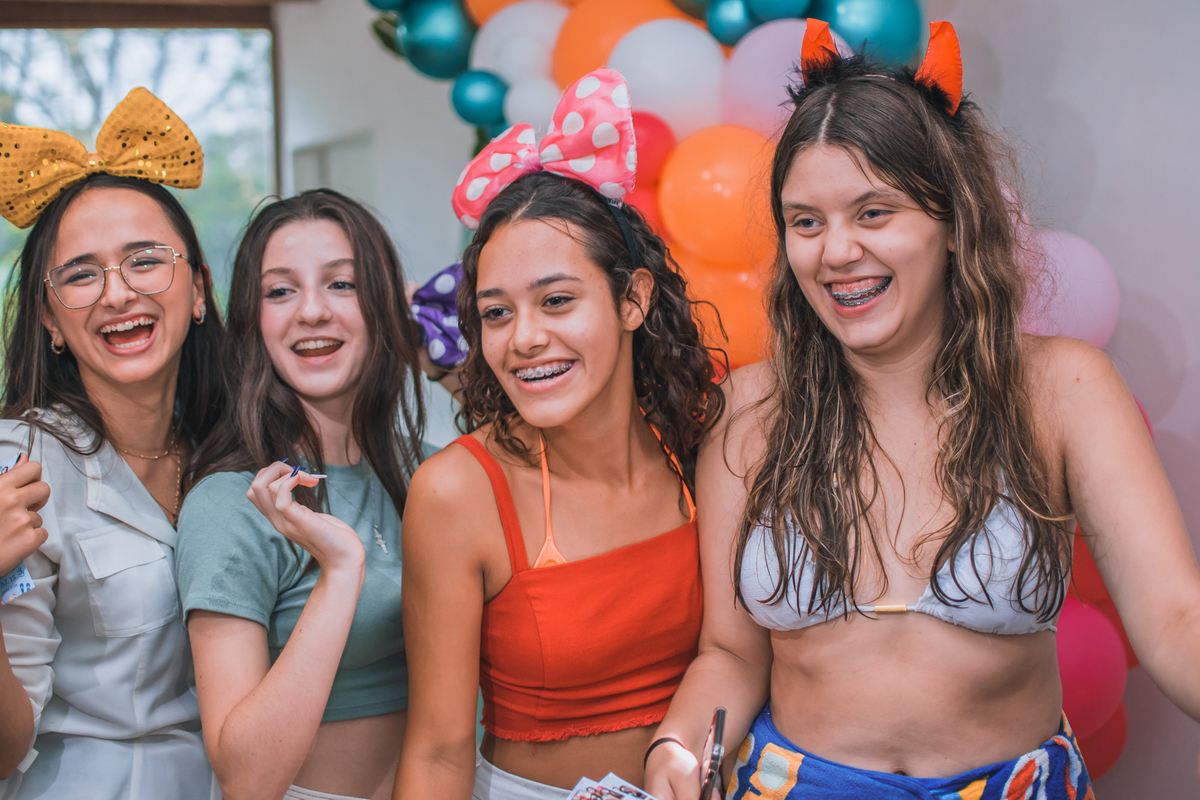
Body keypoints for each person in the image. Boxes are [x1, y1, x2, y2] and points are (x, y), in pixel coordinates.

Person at [645, 20, 1200, 800]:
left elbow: (1176, 620)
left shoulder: (1065, 390)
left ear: (951, 223)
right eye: (807, 222)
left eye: (874, 213)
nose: (835, 252)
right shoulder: (747, 410)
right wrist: (674, 750)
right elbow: (732, 655)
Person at [394, 69, 724, 800]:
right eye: (498, 312)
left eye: (557, 300)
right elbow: (438, 753)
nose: (526, 339)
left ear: (632, 299)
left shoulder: (703, 446)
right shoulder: (457, 491)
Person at [0, 89, 225, 798]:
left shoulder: (238, 445)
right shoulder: (19, 465)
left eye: (145, 260)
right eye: (81, 274)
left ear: (196, 290)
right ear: (51, 321)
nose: (117, 292)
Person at [175, 189, 428, 800]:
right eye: (280, 291)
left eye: (342, 284)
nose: (312, 312)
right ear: (252, 319)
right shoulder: (235, 502)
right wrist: (339, 571)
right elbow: (247, 779)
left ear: (385, 302)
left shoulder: (432, 474)